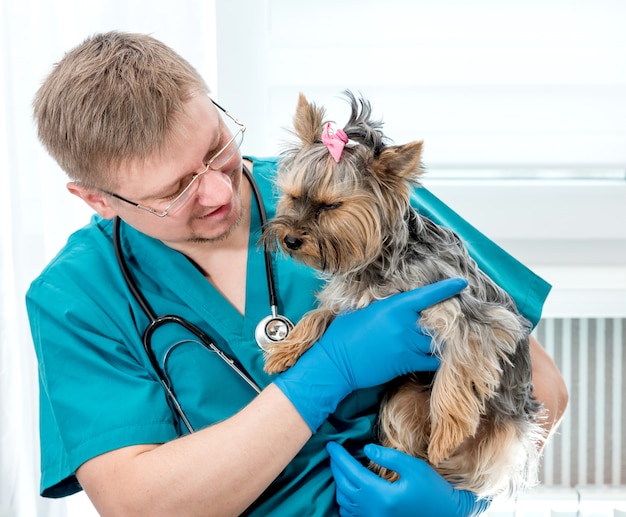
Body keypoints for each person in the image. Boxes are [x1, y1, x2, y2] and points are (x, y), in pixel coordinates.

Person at [27, 31, 567, 517]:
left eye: (217, 150)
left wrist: (467, 503)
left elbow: (540, 386)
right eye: (174, 191)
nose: (219, 192)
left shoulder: (348, 187)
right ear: (97, 199)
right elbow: (137, 503)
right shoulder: (75, 297)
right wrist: (325, 373)